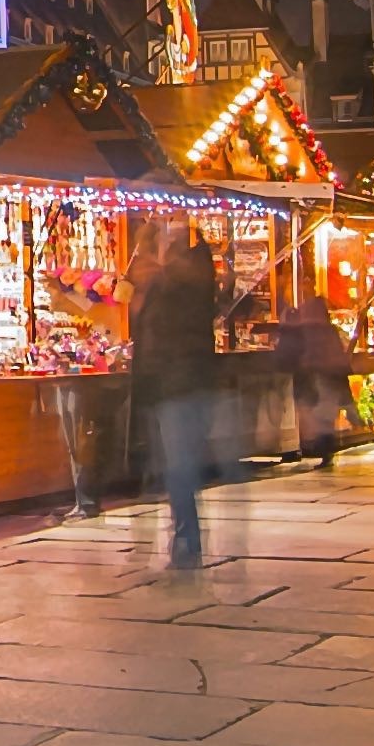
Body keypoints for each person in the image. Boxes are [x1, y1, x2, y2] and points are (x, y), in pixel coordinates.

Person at [127, 222, 219, 570]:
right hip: (165, 386)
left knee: (179, 466)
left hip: (179, 386)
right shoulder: (168, 285)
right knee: (173, 467)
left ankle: (185, 540)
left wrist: (151, 275)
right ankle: (182, 536)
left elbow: (165, 332)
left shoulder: (182, 283)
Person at [274, 294, 353, 469]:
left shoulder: (306, 330)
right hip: (328, 379)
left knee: (320, 417)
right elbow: (338, 357)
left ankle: (323, 450)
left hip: (317, 379)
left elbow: (291, 353)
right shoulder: (328, 330)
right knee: (324, 418)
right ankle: (325, 450)